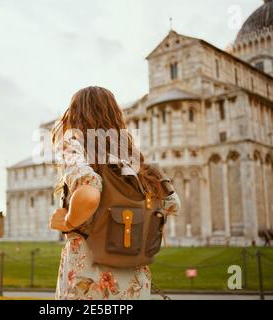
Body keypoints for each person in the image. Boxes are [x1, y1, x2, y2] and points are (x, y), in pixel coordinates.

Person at [49, 86, 181, 300]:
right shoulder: (132, 157)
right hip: (135, 281)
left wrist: (68, 221)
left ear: (75, 114)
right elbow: (172, 204)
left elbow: (89, 191)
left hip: (89, 278)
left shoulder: (73, 145)